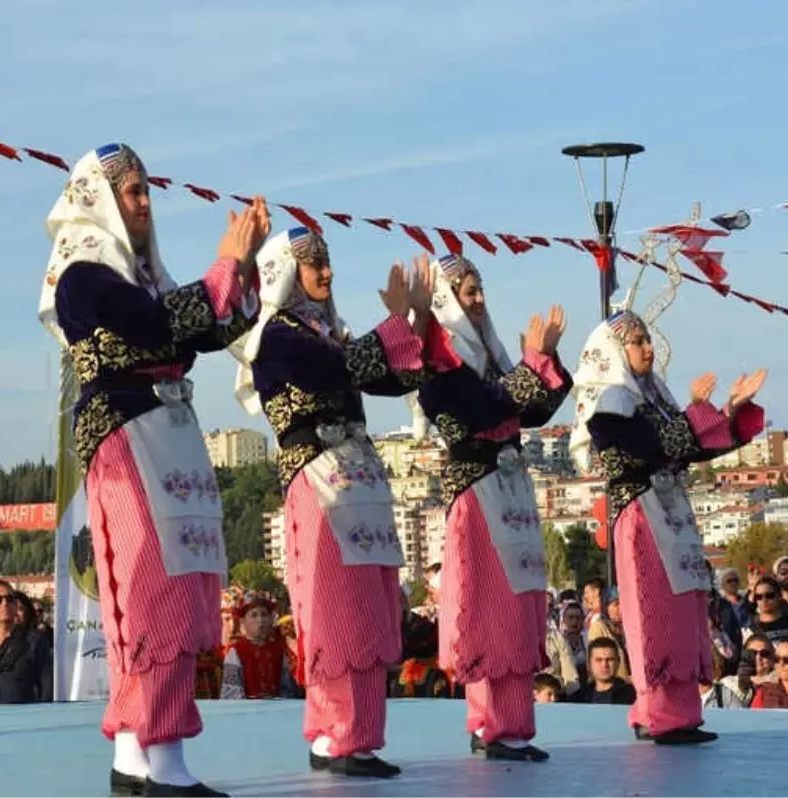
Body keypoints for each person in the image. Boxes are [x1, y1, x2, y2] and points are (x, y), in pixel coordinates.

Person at [39, 143, 267, 798]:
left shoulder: (146, 280)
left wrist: (241, 267)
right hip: (126, 433)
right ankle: (164, 760)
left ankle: (135, 756)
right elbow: (151, 324)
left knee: (174, 586)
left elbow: (206, 329)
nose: (144, 204)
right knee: (150, 590)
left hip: (167, 433)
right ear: (99, 200)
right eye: (133, 192)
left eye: (146, 192)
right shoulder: (82, 273)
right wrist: (223, 266)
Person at [232, 230, 448, 778]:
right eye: (315, 264)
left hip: (358, 481)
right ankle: (332, 736)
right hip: (319, 481)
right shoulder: (276, 335)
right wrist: (396, 322)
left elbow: (396, 375)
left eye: (328, 262)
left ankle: (361, 737)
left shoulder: (329, 333)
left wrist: (418, 318)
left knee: (371, 607)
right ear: (287, 272)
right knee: (335, 610)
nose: (327, 273)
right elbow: (341, 367)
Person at [570, 309, 766, 745]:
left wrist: (729, 411)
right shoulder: (609, 400)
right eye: (638, 341)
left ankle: (681, 713)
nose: (648, 348)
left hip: (670, 513)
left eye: (647, 340)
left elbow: (687, 447)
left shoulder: (652, 396)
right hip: (642, 516)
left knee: (682, 614)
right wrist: (698, 410)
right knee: (653, 615)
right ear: (615, 350)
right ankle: (656, 715)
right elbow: (651, 447)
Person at [411, 254, 572, 762]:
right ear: (447, 299)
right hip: (477, 491)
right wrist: (532, 364)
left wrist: (546, 359)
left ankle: (513, 726)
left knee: (519, 608)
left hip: (510, 489)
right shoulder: (439, 358)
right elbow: (481, 409)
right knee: (489, 609)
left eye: (481, 289)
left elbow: (533, 410)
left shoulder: (493, 356)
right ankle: (488, 725)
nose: (479, 300)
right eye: (469, 291)